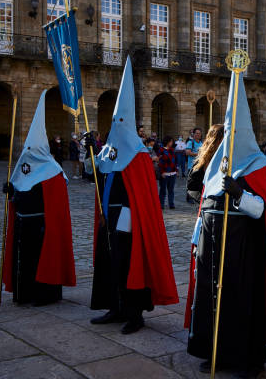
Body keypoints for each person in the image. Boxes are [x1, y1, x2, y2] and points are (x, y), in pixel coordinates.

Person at [185, 65, 266, 376]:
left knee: (241, 302)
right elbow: (204, 204)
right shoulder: (216, 165)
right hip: (212, 244)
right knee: (212, 298)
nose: (230, 138)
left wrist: (240, 194)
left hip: (243, 249)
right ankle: (217, 350)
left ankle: (248, 359)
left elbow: (263, 211)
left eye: (235, 132)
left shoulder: (258, 166)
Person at [90, 58, 179, 335]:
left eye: (120, 121)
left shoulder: (139, 156)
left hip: (128, 221)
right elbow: (101, 180)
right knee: (110, 265)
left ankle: (134, 314)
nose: (116, 124)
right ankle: (114, 308)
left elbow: (141, 193)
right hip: (109, 217)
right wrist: (92, 159)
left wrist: (125, 221)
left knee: (130, 265)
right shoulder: (108, 152)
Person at [2, 90, 75, 305]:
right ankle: (23, 293)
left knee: (41, 260)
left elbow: (56, 200)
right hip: (24, 222)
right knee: (23, 260)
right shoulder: (23, 166)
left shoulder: (52, 169)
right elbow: (19, 191)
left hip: (42, 224)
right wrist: (11, 191)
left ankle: (44, 295)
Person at [186, 124, 224, 204]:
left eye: (199, 133)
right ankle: (189, 198)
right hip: (208, 196)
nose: (198, 135)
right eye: (197, 133)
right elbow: (188, 152)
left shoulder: (201, 143)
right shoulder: (191, 142)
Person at [158, 136, 177, 210]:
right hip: (164, 173)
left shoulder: (172, 150)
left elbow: (175, 160)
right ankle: (161, 204)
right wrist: (162, 172)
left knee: (171, 190)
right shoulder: (161, 150)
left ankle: (171, 204)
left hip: (172, 173)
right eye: (171, 141)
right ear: (167, 142)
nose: (172, 143)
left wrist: (176, 170)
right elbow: (160, 162)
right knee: (163, 190)